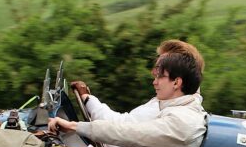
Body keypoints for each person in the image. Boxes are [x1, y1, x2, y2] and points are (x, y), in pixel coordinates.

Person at [48, 50, 206, 147]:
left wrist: (74, 126)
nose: (154, 81)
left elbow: (128, 132)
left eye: (161, 76)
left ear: (177, 82)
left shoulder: (182, 120)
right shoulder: (174, 109)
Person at [70, 39, 205, 125]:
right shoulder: (171, 101)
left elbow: (120, 128)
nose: (154, 74)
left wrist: (87, 99)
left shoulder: (167, 110)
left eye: (161, 68)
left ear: (177, 80)